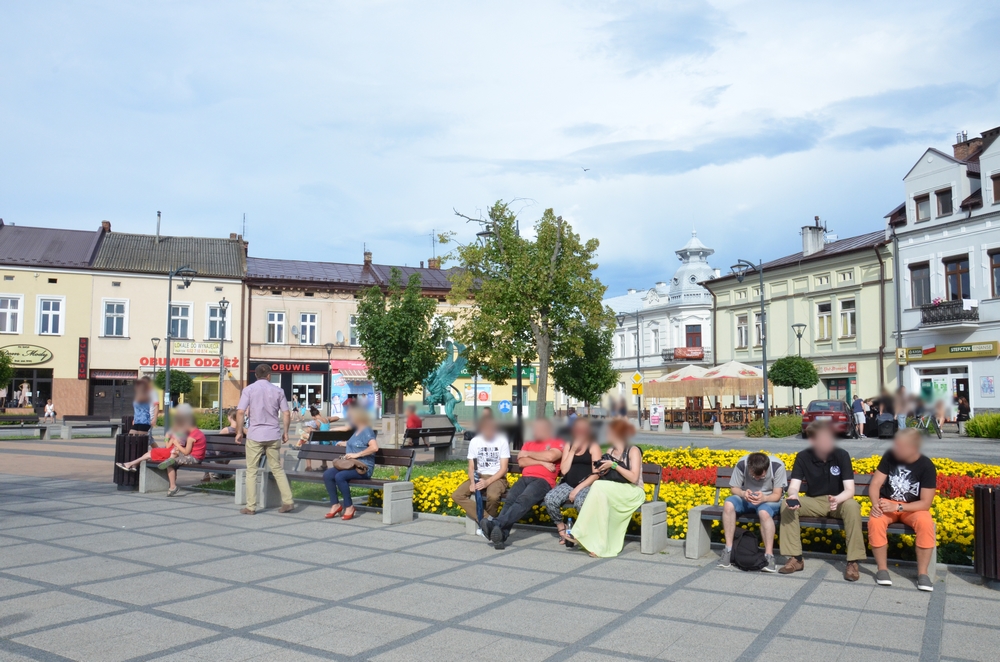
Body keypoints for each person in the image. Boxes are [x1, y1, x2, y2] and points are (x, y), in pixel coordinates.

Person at [779, 421, 865, 580]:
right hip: (815, 502)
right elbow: (794, 486)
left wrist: (837, 499)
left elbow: (850, 491)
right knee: (786, 505)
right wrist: (793, 496)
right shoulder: (803, 457)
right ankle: (796, 558)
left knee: (853, 506)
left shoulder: (841, 455)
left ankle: (853, 561)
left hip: (840, 501)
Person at [867, 428, 937, 591]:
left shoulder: (926, 465)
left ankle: (923, 574)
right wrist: (875, 503)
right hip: (887, 504)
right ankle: (882, 570)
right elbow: (876, 484)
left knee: (925, 523)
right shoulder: (890, 457)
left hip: (913, 508)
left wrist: (898, 506)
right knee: (875, 521)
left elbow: (925, 503)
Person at [565, 418, 646, 558]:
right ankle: (598, 546)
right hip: (614, 490)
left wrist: (614, 465)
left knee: (598, 487)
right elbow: (604, 475)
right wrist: (601, 467)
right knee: (600, 501)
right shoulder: (610, 451)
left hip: (634, 491)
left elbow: (633, 478)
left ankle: (579, 533)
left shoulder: (633, 451)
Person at [480, 419, 564, 550]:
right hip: (525, 478)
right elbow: (522, 462)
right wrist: (541, 462)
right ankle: (501, 535)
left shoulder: (556, 441)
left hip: (543, 481)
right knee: (510, 500)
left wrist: (529, 454)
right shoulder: (530, 442)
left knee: (523, 500)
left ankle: (496, 524)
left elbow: (550, 457)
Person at [235, 364, 295, 514]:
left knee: (252, 470)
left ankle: (251, 506)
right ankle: (288, 501)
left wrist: (238, 432)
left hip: (255, 434)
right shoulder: (278, 391)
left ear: (255, 375)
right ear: (269, 375)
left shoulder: (248, 390)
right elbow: (286, 413)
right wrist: (286, 432)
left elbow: (240, 412)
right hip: (273, 434)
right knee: (277, 469)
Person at [718, 452, 787, 572]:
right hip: (747, 497)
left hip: (769, 499)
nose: (756, 479)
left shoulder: (777, 466)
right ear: (749, 468)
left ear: (766, 469)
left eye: (761, 477)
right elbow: (734, 488)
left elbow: (777, 495)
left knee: (764, 512)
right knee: (728, 504)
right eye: (753, 476)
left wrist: (764, 498)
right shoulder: (742, 464)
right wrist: (743, 493)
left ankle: (769, 556)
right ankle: (728, 550)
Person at [116, 404, 206, 497]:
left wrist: (171, 439)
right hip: (178, 453)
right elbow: (173, 444)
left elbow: (181, 449)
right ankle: (133, 464)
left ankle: (132, 464)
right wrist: (170, 438)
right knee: (162, 458)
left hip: (186, 455)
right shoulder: (183, 431)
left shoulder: (186, 433)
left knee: (162, 458)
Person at [543, 417, 601, 546]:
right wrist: (573, 450)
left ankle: (583, 533)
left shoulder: (593, 446)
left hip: (587, 484)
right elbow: (564, 470)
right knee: (550, 499)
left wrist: (578, 488)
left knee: (580, 502)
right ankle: (562, 529)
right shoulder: (569, 445)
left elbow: (596, 474)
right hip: (569, 483)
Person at [451, 414, 510, 535]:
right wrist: (473, 482)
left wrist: (488, 482)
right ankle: (488, 521)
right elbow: (472, 466)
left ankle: (487, 525)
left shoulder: (502, 441)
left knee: (493, 496)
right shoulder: (475, 442)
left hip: (497, 478)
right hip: (479, 476)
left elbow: (504, 469)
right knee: (457, 495)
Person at [323, 406, 378, 521]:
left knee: (340, 476)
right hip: (350, 465)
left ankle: (349, 507)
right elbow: (357, 443)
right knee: (328, 475)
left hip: (363, 467)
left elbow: (374, 448)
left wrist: (356, 455)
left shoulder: (367, 430)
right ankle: (335, 505)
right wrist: (344, 444)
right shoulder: (356, 430)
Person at [298, 407, 331, 471]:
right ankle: (324, 465)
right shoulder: (326, 420)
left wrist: (305, 431)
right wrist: (329, 418)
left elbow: (309, 431)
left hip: (319, 446)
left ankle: (309, 467)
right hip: (328, 444)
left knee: (307, 447)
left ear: (313, 417)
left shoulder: (316, 422)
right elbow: (336, 418)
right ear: (319, 413)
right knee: (322, 445)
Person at [130, 377, 159, 442]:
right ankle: (158, 450)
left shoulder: (152, 393)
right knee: (147, 438)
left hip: (149, 418)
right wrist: (134, 419)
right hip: (139, 420)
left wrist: (154, 419)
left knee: (144, 439)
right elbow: (137, 409)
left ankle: (154, 451)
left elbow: (156, 406)